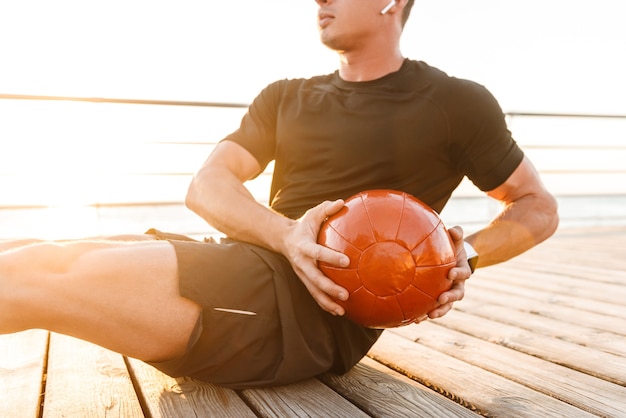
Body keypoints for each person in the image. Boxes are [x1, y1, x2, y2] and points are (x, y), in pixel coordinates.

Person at [0, 0, 558, 389]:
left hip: (308, 316)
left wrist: (466, 254)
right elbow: (207, 185)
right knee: (27, 249)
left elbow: (537, 205)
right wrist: (286, 234)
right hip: (241, 258)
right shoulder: (285, 97)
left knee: (34, 276)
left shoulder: (457, 102)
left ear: (393, 2)